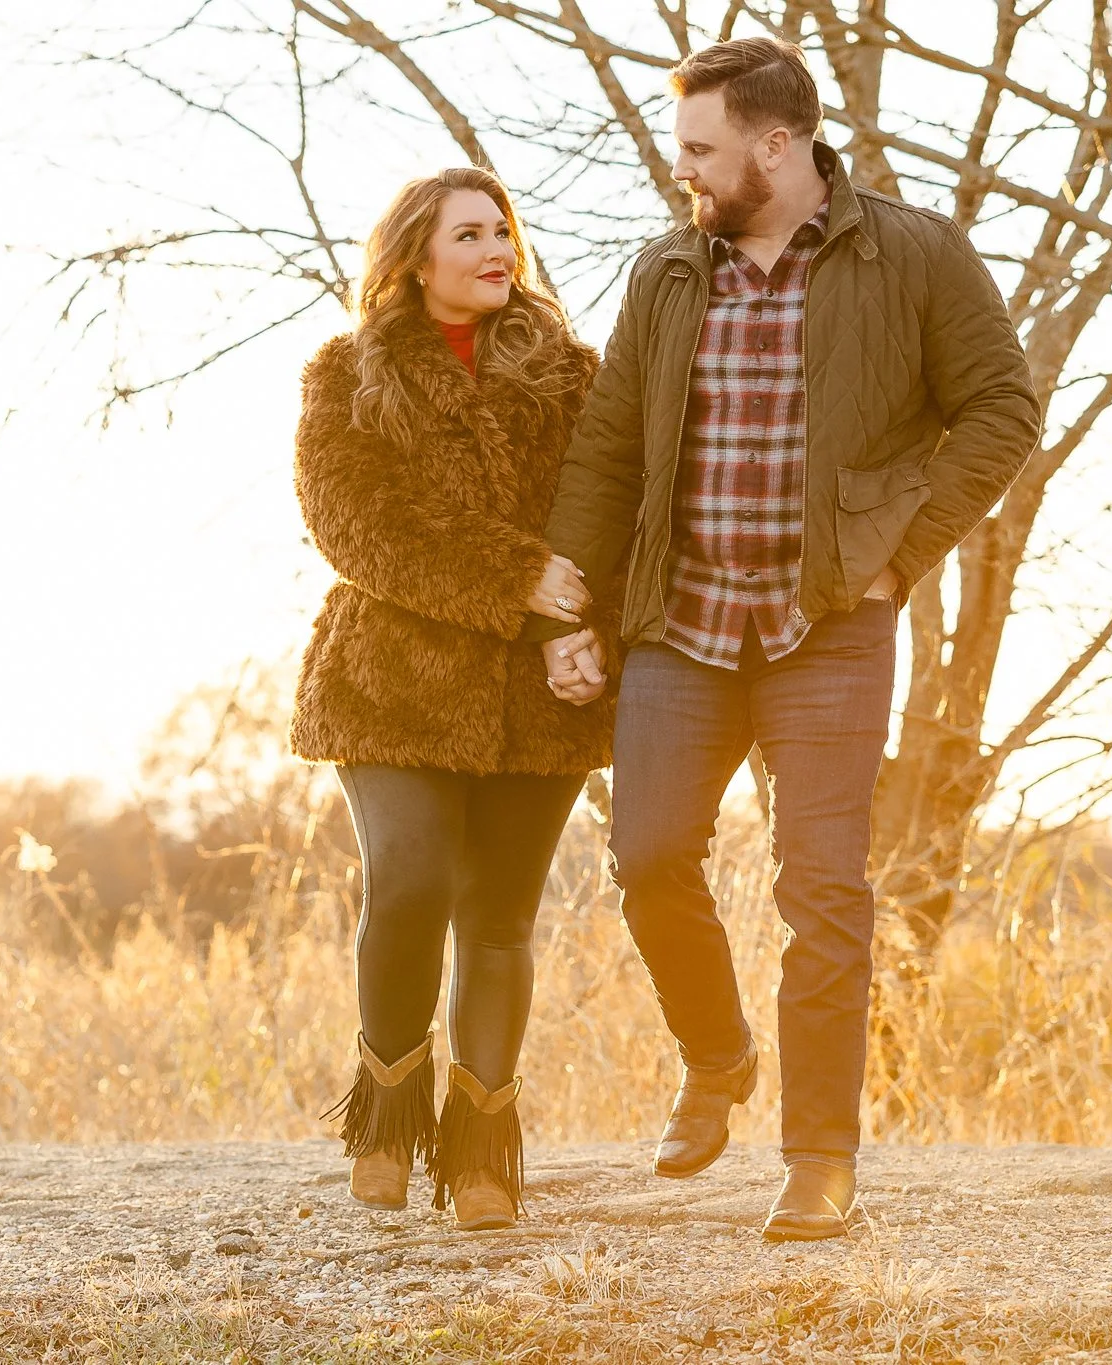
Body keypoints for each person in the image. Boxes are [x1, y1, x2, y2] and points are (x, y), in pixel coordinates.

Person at [530, 37, 1040, 1240]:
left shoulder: (913, 253)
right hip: (680, 625)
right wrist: (564, 605)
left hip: (828, 631)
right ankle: (714, 1060)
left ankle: (817, 1161)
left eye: (701, 150)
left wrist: (897, 557)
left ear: (777, 144)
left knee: (822, 891)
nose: (684, 173)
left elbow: (1000, 408)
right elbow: (609, 448)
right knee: (647, 857)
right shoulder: (664, 270)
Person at [289, 167, 612, 1229]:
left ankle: (479, 1153)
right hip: (389, 683)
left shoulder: (573, 377)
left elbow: (607, 514)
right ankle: (386, 1116)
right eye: (467, 235)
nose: (494, 251)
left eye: (502, 233)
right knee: (413, 876)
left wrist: (581, 627)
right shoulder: (346, 374)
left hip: (540, 697)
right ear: (412, 259)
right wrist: (513, 582)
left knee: (501, 919)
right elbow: (355, 523)